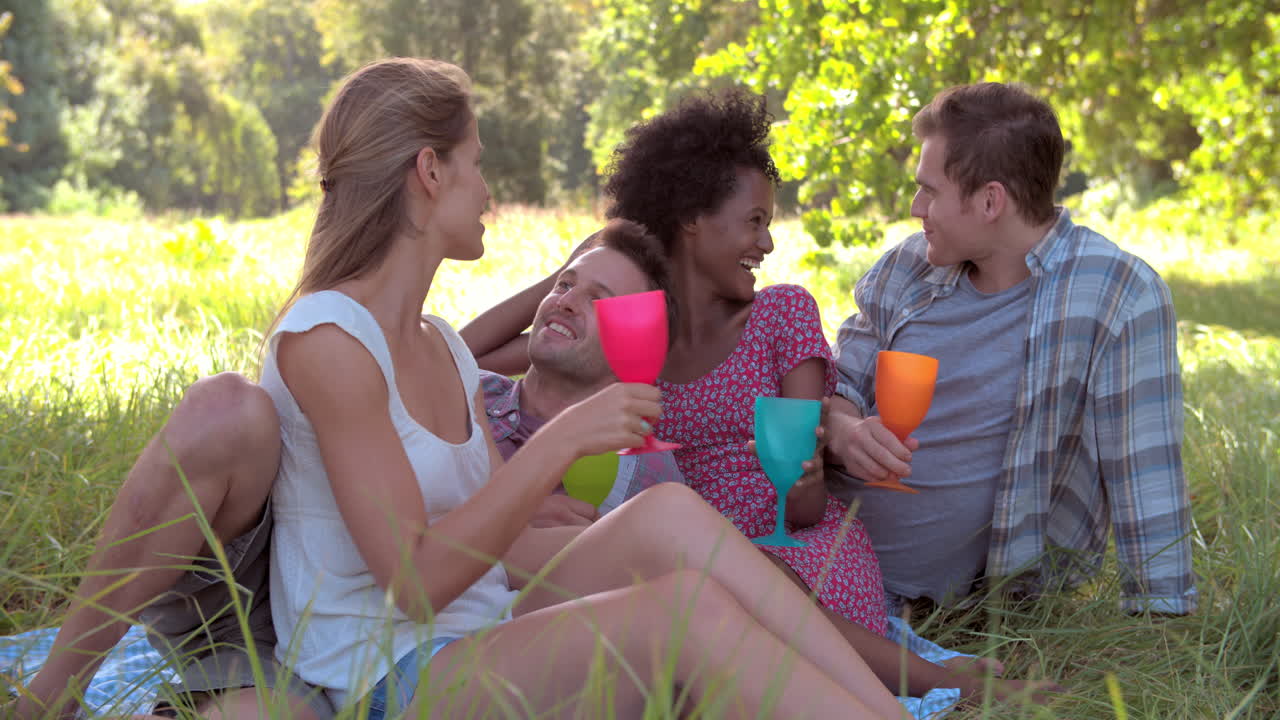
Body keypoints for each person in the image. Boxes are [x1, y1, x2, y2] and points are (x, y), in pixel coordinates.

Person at [254, 57, 902, 719]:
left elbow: (501, 549)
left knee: (669, 516)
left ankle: (892, 710)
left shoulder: (444, 348)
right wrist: (561, 442)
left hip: (485, 625)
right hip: (393, 676)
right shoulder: (330, 341)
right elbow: (416, 585)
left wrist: (628, 542)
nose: (487, 192)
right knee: (678, 612)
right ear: (430, 171)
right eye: (475, 164)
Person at [472, 89, 1054, 703]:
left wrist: (806, 475)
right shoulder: (637, 336)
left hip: (793, 551)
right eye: (754, 221)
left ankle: (938, 683)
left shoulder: (780, 314)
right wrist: (582, 264)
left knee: (732, 582)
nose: (767, 243)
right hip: (683, 552)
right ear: (690, 218)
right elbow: (466, 357)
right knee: (684, 598)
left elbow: (802, 507)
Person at [824, 82, 1197, 617]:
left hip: (929, 606)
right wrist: (844, 430)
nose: (915, 207)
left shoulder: (1115, 294)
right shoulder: (908, 267)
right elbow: (838, 382)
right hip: (810, 544)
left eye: (929, 191)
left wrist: (1162, 615)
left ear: (990, 201)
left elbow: (1146, 470)